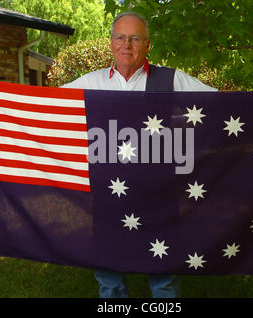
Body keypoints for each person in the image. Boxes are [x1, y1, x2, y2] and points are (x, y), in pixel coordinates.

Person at [61, 11, 217, 298]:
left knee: (164, 282)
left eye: (135, 38)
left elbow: (223, 102)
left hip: (159, 197)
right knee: (109, 282)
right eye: (120, 37)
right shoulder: (90, 83)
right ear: (110, 42)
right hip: (108, 198)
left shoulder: (171, 80)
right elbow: (42, 104)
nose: (126, 45)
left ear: (147, 45)